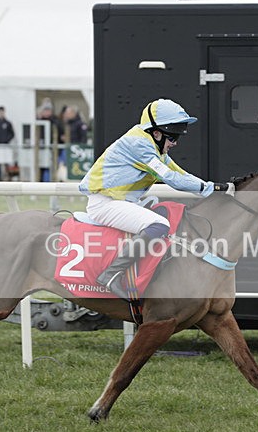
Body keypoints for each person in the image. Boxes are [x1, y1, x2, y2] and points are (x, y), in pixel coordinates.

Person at [79, 98, 234, 299]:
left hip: (120, 201)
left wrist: (213, 188)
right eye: (173, 137)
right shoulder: (140, 145)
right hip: (104, 204)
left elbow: (181, 174)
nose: (175, 143)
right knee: (160, 224)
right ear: (156, 133)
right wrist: (210, 188)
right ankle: (111, 274)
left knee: (160, 209)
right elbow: (171, 179)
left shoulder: (152, 145)